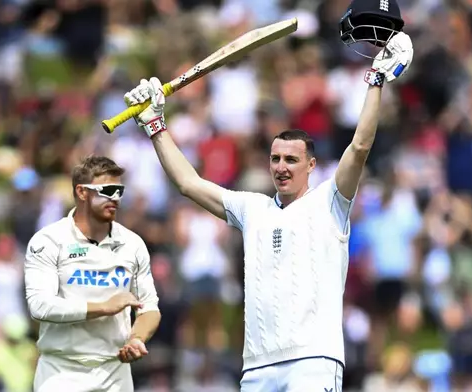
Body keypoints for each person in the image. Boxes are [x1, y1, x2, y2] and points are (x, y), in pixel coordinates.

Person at [123, 27, 414, 392]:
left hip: (313, 360)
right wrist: (155, 126)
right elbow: (189, 184)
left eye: (292, 159)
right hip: (258, 366)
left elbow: (358, 147)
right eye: (275, 158)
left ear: (311, 166)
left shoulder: (330, 201)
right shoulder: (253, 208)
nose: (281, 166)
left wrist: (375, 82)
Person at [24, 155, 161, 392]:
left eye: (119, 191)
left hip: (114, 372)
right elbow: (40, 306)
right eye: (107, 190)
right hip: (61, 371)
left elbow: (149, 308)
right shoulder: (48, 240)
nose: (115, 199)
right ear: (82, 192)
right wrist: (103, 307)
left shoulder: (132, 243)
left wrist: (136, 338)